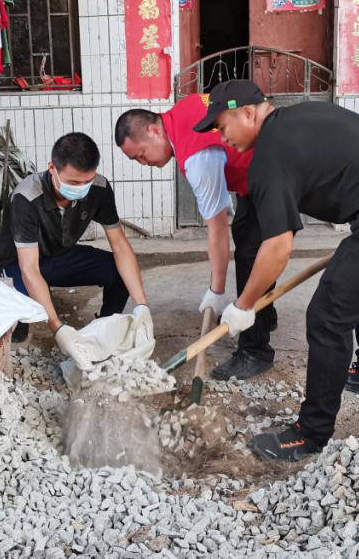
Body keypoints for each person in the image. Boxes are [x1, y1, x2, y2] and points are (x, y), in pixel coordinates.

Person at [193, 80, 359, 461]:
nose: (221, 136)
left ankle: (310, 435)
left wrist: (243, 305)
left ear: (247, 113)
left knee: (328, 316)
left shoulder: (271, 155)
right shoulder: (299, 119)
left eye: (222, 125)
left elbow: (278, 248)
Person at [114, 96, 278, 380]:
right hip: (255, 173)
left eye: (140, 154)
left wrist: (216, 290)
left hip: (273, 172)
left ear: (153, 130)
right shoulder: (184, 109)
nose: (143, 163)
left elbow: (217, 228)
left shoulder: (197, 156)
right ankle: (264, 313)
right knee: (246, 236)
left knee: (251, 254)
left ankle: (255, 350)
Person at [0, 132, 152, 369]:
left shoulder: (99, 187)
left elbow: (120, 246)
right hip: (16, 265)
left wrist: (142, 305)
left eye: (87, 181)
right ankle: (19, 329)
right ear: (52, 168)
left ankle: (105, 331)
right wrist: (58, 327)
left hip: (59, 257)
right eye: (74, 183)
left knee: (118, 271)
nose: (82, 188)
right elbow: (29, 268)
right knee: (23, 303)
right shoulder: (27, 196)